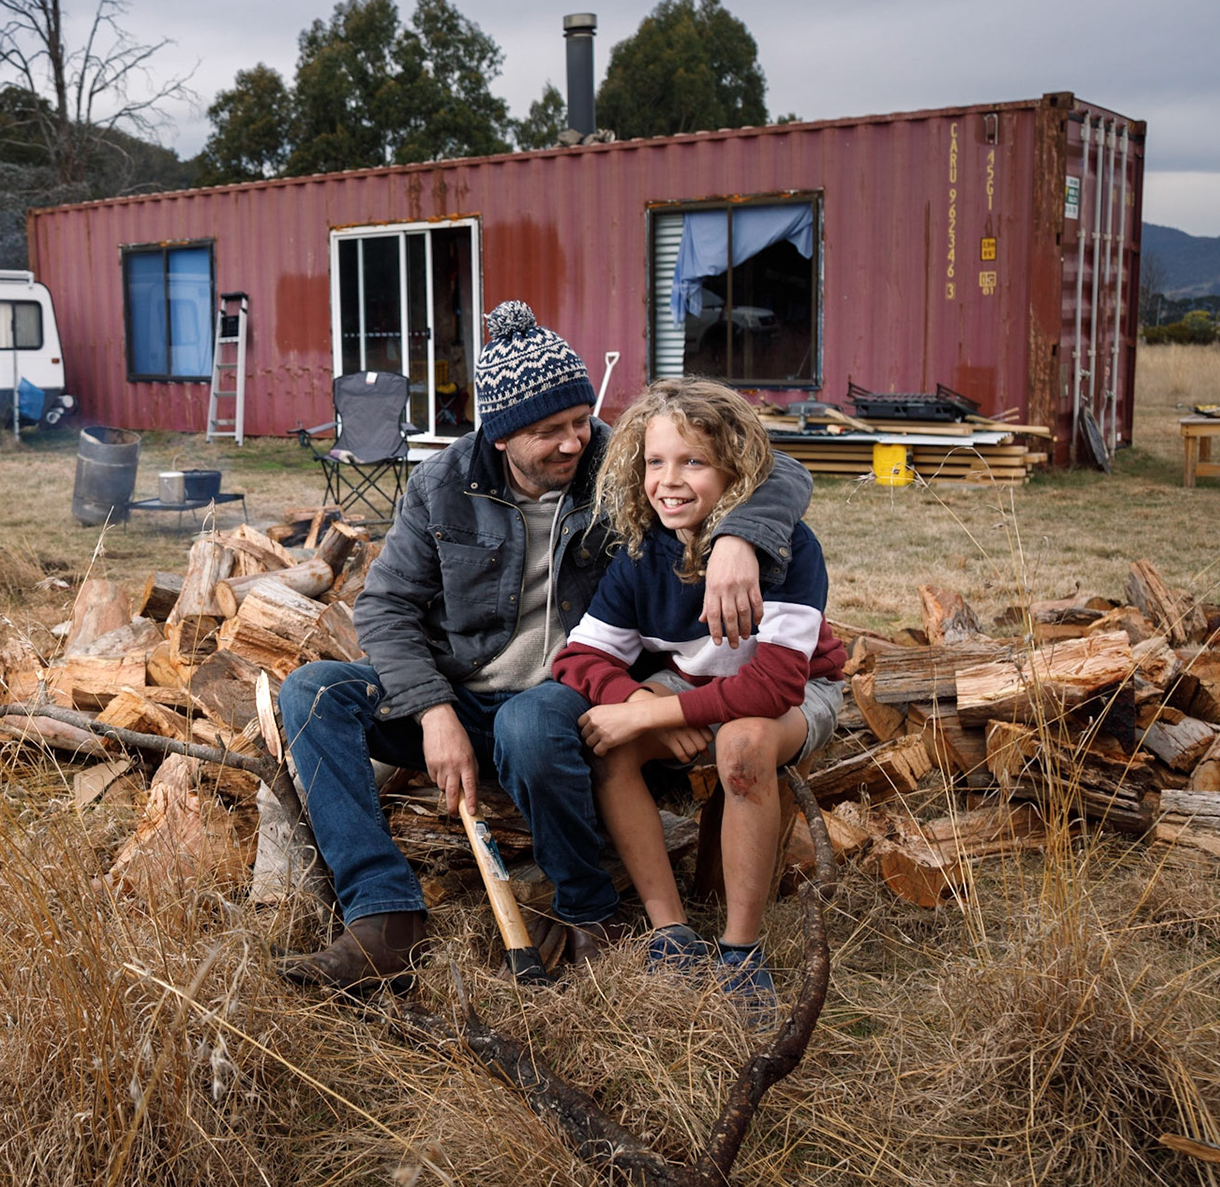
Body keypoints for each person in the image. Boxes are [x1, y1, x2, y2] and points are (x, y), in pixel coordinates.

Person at [277, 301, 816, 989]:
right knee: (313, 691)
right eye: (547, 431)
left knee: (528, 721)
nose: (573, 441)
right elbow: (384, 607)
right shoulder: (442, 485)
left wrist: (740, 537)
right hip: (460, 693)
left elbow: (779, 468)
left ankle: (590, 910)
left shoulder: (616, 463)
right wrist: (433, 711)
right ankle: (384, 915)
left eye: (578, 420)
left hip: (565, 694)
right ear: (499, 436)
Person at [551, 378, 846, 1007]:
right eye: (655, 462)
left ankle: (740, 952)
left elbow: (772, 685)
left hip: (795, 692)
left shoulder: (788, 549)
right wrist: (636, 705)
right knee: (610, 742)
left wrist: (667, 710)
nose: (669, 480)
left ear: (735, 471)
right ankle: (671, 931)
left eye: (693, 462)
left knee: (741, 742)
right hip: (694, 678)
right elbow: (580, 656)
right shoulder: (640, 551)